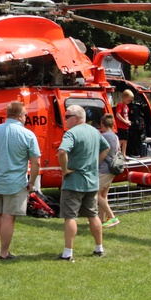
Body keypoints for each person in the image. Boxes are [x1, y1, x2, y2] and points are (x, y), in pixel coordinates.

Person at [0, 101, 41, 260]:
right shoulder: (28, 134)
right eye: (26, 115)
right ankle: (4, 253)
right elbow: (36, 162)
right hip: (16, 182)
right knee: (8, 217)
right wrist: (32, 181)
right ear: (20, 116)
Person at [57, 105, 111, 261]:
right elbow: (106, 148)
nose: (65, 119)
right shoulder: (94, 131)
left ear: (76, 118)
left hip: (74, 183)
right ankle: (99, 248)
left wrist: (65, 169)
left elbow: (62, 152)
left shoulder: (71, 133)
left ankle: (68, 252)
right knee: (93, 215)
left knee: (70, 217)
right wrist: (95, 163)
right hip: (92, 182)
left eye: (67, 116)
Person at [97, 114, 121, 228]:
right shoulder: (115, 136)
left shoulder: (104, 136)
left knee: (95, 194)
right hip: (112, 169)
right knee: (103, 195)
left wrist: (97, 164)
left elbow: (104, 152)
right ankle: (101, 219)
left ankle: (112, 216)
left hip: (104, 169)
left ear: (102, 124)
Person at [114, 90, 133, 156]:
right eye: (128, 100)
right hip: (120, 126)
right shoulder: (120, 105)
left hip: (126, 126)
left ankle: (124, 154)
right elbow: (118, 115)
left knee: (125, 141)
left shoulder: (126, 106)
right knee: (121, 140)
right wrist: (125, 121)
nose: (129, 102)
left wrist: (128, 122)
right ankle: (117, 153)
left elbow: (126, 115)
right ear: (124, 97)